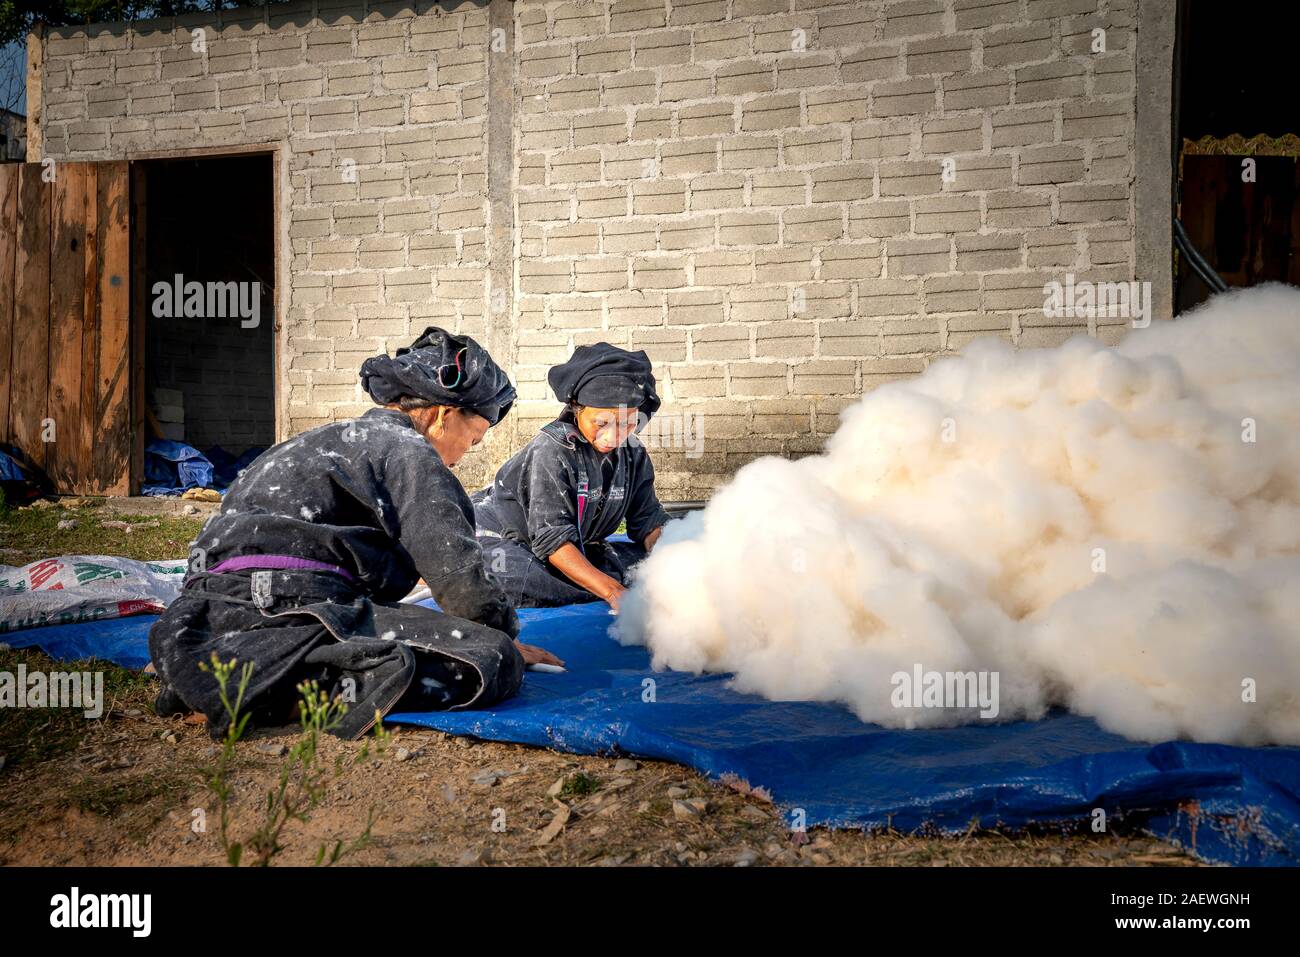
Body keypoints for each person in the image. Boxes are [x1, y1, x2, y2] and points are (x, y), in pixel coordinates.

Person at [148, 327, 560, 742]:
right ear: (442, 416)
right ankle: (269, 691)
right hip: (290, 607)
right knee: (493, 661)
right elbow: (461, 580)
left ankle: (226, 668)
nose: (465, 453)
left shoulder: (310, 442)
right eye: (473, 439)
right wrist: (500, 637)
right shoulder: (409, 451)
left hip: (201, 613)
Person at [472, 343, 672, 610]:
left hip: (572, 547)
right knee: (514, 576)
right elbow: (552, 540)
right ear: (577, 408)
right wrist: (613, 592)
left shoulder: (633, 454)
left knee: (642, 566)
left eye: (628, 423)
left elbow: (647, 520)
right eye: (601, 423)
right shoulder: (552, 451)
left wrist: (670, 562)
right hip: (504, 543)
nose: (614, 436)